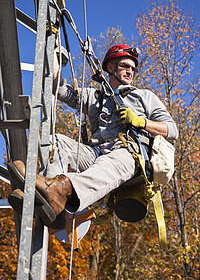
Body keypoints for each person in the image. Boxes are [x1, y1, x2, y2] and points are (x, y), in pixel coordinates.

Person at [8, 44, 178, 228]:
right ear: (111, 67)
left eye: (133, 68)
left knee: (110, 162)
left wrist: (141, 122)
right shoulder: (95, 96)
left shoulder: (144, 97)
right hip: (97, 154)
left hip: (129, 154)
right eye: (125, 66)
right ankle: (50, 200)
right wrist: (55, 50)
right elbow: (57, 88)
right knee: (55, 141)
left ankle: (59, 190)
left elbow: (172, 130)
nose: (130, 71)